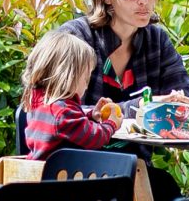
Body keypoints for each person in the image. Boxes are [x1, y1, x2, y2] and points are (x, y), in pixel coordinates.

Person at [61, 0, 189, 201]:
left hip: (135, 172)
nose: (143, 0)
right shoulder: (76, 38)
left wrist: (182, 107)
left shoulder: (156, 41)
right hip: (77, 170)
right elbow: (58, 112)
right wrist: (145, 107)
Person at [22, 30, 123, 160]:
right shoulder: (62, 111)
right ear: (69, 77)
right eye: (86, 78)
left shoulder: (43, 103)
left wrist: (91, 116)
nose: (87, 85)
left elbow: (71, 130)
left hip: (44, 172)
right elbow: (94, 138)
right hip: (62, 176)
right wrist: (111, 124)